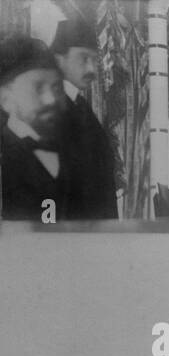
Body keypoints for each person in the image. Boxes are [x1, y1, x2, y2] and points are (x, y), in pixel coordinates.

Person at [51, 19, 116, 220]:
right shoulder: (50, 109)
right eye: (83, 58)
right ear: (59, 59)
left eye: (94, 60)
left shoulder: (81, 105)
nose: (91, 69)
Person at [0, 36, 71, 221]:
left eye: (57, 88)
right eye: (38, 88)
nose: (52, 99)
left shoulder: (75, 151)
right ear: (6, 99)